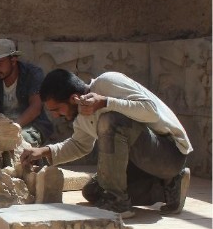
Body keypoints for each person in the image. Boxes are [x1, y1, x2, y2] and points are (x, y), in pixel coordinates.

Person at [20, 69, 192, 218]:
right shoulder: (81, 116)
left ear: (73, 98)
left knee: (110, 120)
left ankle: (119, 203)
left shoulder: (107, 82)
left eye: (56, 109)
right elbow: (80, 145)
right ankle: (169, 185)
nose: (56, 115)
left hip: (169, 154)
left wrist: (106, 102)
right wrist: (44, 151)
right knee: (93, 192)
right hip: (142, 164)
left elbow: (151, 112)